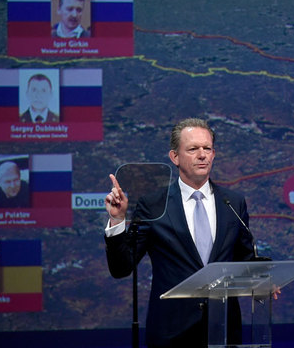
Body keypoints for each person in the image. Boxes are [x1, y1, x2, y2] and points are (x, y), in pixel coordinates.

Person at [104, 118, 258, 348]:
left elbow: (245, 260)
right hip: (171, 333)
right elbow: (121, 267)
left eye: (207, 148)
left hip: (224, 332)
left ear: (214, 154)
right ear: (175, 157)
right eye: (193, 149)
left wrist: (263, 278)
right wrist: (117, 220)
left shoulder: (233, 203)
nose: (202, 154)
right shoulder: (154, 205)